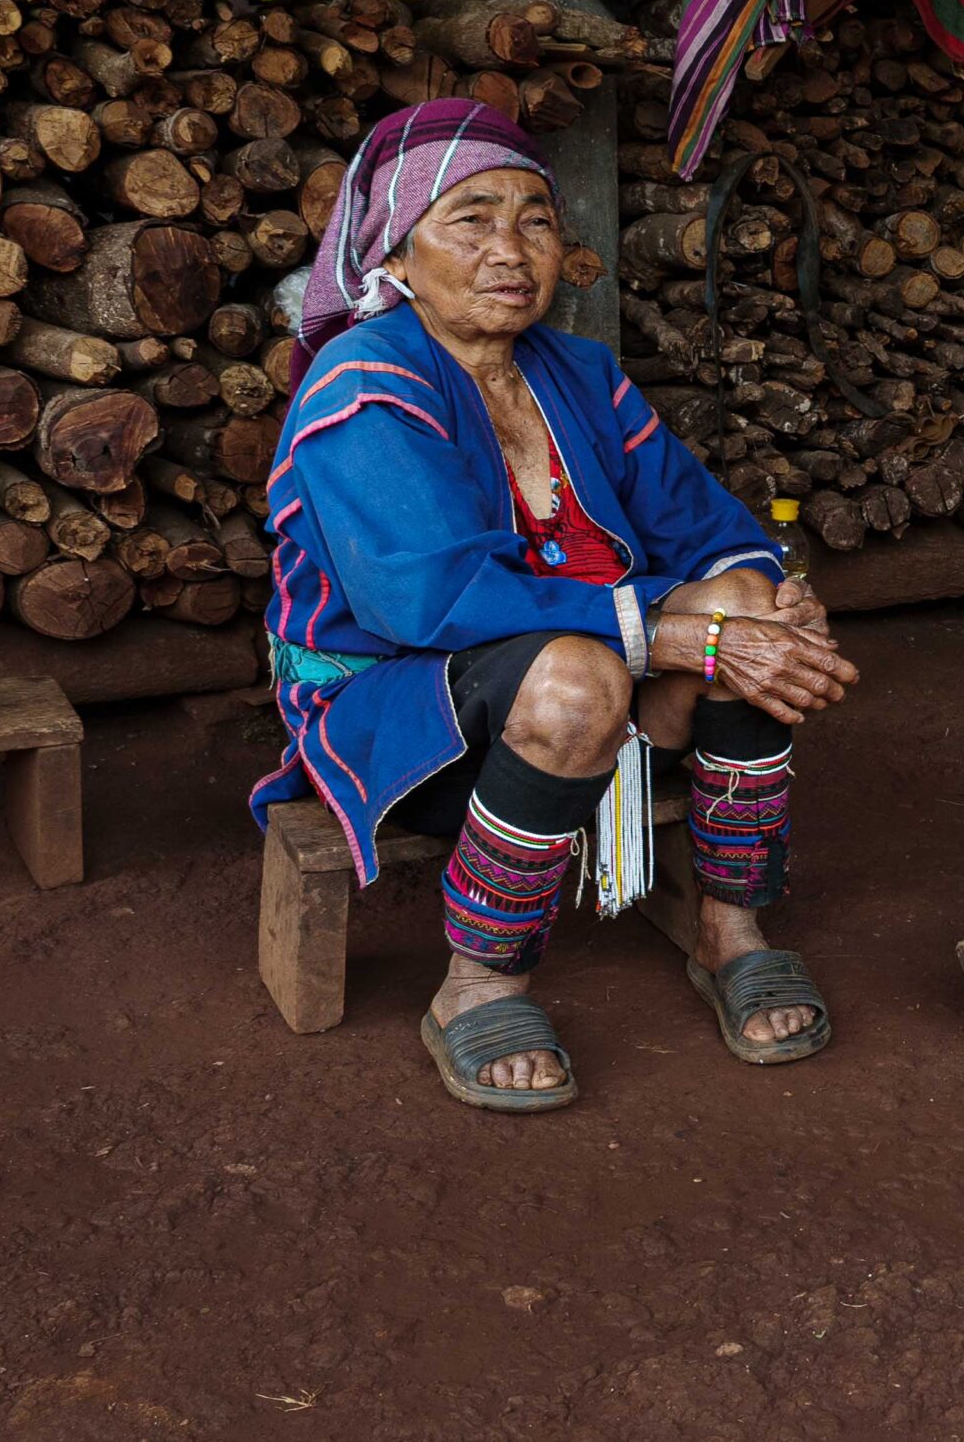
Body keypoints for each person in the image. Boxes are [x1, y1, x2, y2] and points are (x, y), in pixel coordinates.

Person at [251, 99, 859, 1112]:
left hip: (599, 677)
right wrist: (673, 633)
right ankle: (479, 983)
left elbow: (704, 524)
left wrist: (774, 603)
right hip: (400, 706)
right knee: (584, 676)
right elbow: (427, 598)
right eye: (472, 220)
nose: (511, 249)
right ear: (395, 257)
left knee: (743, 602)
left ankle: (729, 928)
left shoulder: (578, 372)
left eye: (535, 220)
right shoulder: (362, 385)